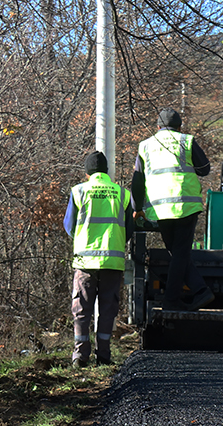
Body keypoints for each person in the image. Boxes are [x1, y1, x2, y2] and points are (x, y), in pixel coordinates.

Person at [131, 109, 214, 311]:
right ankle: (178, 299)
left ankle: (199, 293)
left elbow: (137, 180)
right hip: (186, 206)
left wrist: (137, 208)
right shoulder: (186, 141)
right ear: (179, 127)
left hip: (160, 209)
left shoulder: (145, 146)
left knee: (177, 252)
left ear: (158, 127)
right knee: (180, 254)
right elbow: (205, 169)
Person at [64, 150, 129, 367]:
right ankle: (104, 356)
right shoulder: (122, 193)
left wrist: (83, 239)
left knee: (82, 307)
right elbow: (129, 227)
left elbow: (69, 226)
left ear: (87, 172)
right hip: (113, 260)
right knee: (108, 308)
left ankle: (80, 356)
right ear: (106, 171)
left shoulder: (79, 191)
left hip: (85, 261)